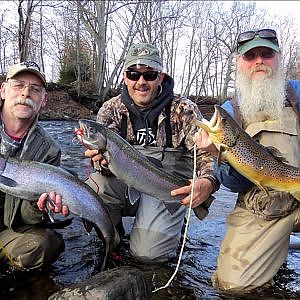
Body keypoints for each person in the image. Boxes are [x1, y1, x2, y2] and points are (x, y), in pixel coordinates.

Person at [85, 42, 219, 262]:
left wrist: (208, 182)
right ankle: (114, 241)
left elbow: (208, 154)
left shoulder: (184, 109)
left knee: (147, 255)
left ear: (160, 77)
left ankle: (169, 219)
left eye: (149, 75)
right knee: (94, 188)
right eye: (133, 74)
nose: (141, 82)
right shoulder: (110, 110)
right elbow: (104, 170)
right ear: (125, 77)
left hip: (167, 189)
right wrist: (101, 161)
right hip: (127, 183)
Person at [194, 28, 300, 292]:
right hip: (264, 210)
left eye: (266, 54)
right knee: (233, 287)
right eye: (250, 56)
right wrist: (216, 153)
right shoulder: (231, 110)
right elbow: (234, 184)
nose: (259, 61)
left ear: (278, 58)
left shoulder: (297, 93)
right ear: (239, 63)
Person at [0, 61, 69, 271]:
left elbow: (27, 219)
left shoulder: (49, 149)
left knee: (44, 244)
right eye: (18, 85)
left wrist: (38, 205)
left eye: (35, 89)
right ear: (3, 90)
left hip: (7, 229)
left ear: (43, 100)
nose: (26, 93)